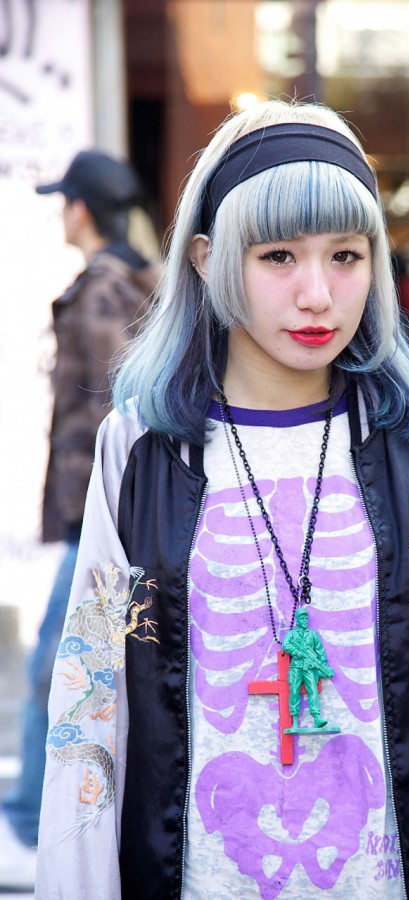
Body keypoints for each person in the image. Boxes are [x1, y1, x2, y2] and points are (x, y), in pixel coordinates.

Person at [36, 100, 409, 899]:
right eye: (279, 256)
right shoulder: (142, 447)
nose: (318, 295)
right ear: (206, 259)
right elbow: (88, 714)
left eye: (346, 256)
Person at [0, 150, 160, 892]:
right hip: (98, 515)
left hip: (94, 518)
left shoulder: (102, 292)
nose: (61, 212)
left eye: (66, 201)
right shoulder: (134, 282)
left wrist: (91, 519)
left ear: (83, 210)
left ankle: (32, 828)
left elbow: (110, 411)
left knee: (51, 673)